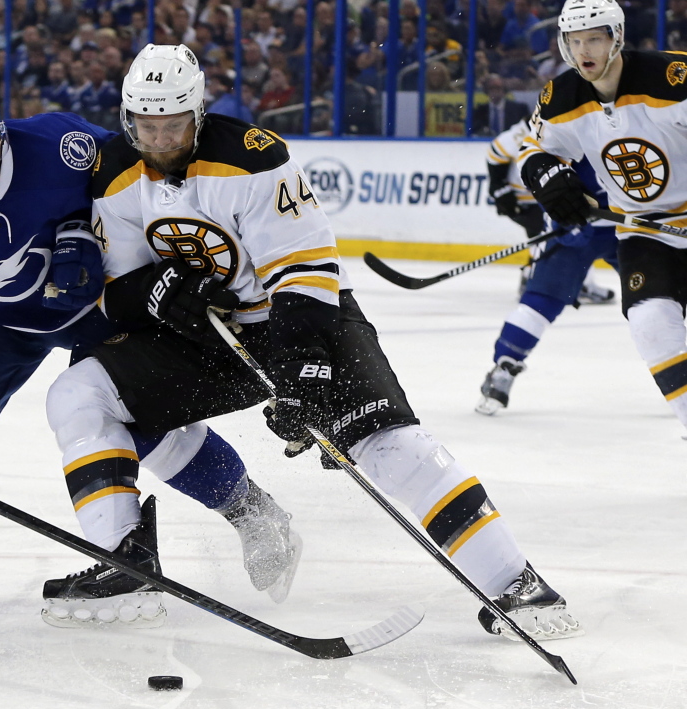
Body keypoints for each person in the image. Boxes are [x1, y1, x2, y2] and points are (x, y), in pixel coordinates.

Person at [42, 44, 581, 641]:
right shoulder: (114, 174)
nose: (161, 137)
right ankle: (127, 561)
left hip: (306, 322)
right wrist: (157, 292)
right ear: (127, 118)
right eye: (147, 124)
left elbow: (305, 273)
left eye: (173, 123)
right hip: (208, 336)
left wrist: (302, 371)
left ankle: (515, 583)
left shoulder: (254, 159)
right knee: (80, 393)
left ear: (197, 114)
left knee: (386, 442)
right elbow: (116, 285)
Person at [0, 72, 303, 625]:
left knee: (140, 419)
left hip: (96, 306)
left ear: (0, 133)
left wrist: (82, 229)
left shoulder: (61, 147)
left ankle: (254, 513)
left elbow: (137, 176)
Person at [518, 0, 687, 439]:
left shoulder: (671, 78)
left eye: (594, 38)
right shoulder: (562, 97)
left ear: (617, 38)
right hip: (644, 231)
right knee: (649, 323)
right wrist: (547, 175)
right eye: (574, 41)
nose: (583, 51)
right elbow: (533, 149)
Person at [477, 157, 619, 415]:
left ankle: (676, 371)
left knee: (665, 299)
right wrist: (555, 205)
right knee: (542, 301)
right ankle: (505, 368)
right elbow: (540, 159)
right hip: (578, 220)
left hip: (633, 225)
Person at [486, 117, 616, 302]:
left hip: (546, 196)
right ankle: (536, 278)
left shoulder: (569, 124)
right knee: (567, 231)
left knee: (574, 231)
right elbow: (495, 151)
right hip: (524, 200)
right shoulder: (529, 128)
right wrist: (499, 187)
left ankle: (543, 279)